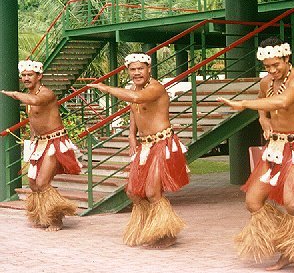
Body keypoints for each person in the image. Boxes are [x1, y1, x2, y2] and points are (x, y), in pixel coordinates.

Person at [219, 37, 294, 273]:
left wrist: (243, 104)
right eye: (267, 66)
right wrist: (263, 119)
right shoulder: (267, 81)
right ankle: (287, 243)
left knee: (292, 203)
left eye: (275, 65)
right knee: (253, 202)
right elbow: (264, 103)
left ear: (286, 58)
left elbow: (284, 100)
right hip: (275, 148)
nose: (271, 70)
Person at [87, 53, 188, 249]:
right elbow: (135, 109)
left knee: (152, 191)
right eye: (132, 69)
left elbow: (137, 98)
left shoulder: (155, 88)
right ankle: (150, 228)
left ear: (149, 69)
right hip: (145, 145)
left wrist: (107, 88)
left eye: (140, 68)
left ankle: (166, 234)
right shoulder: (134, 88)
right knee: (134, 192)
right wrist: (131, 135)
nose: (136, 73)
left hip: (162, 143)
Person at [1, 60, 80, 231]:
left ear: (39, 76)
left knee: (43, 182)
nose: (26, 78)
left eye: (30, 75)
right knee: (33, 183)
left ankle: (56, 218)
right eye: (24, 75)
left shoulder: (46, 94)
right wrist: (30, 145)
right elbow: (34, 122)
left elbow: (35, 100)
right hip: (39, 143)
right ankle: (42, 214)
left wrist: (14, 94)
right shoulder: (30, 96)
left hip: (54, 142)